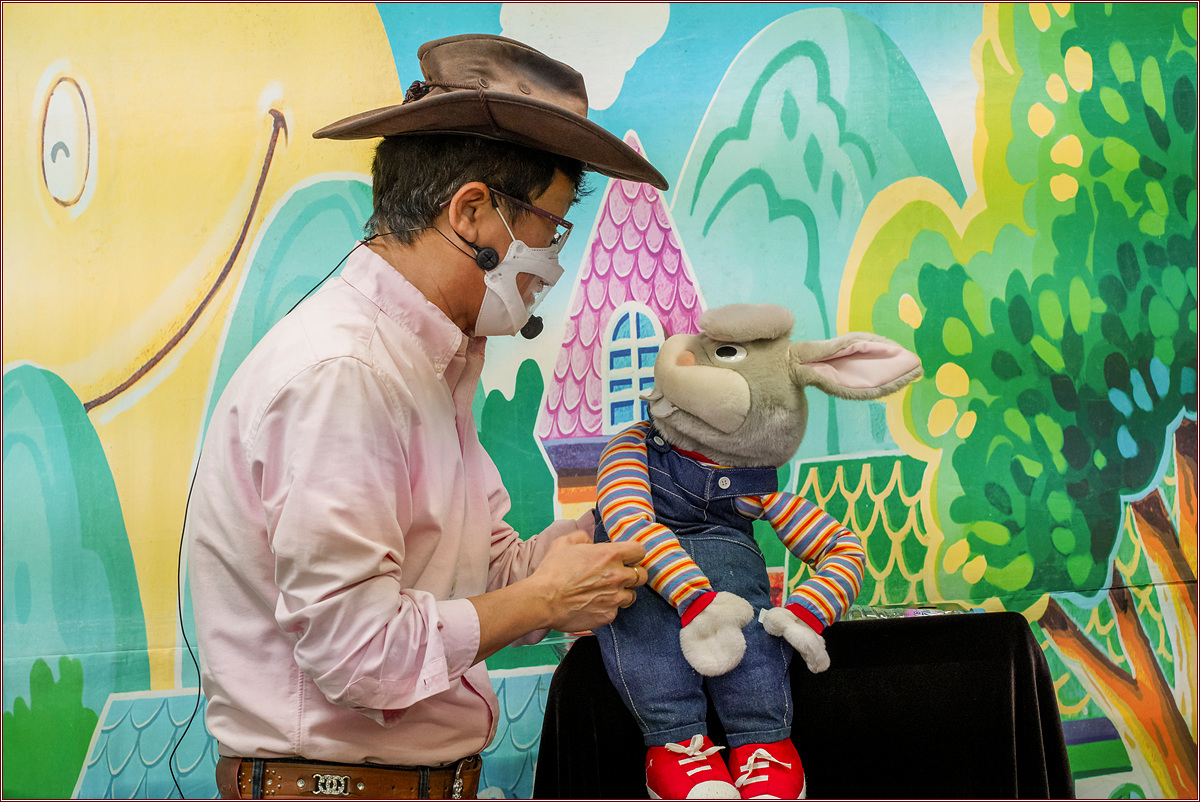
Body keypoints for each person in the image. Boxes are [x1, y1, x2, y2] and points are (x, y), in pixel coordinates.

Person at [185, 34, 668, 800]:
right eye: (549, 229)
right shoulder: (347, 376)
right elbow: (359, 652)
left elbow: (477, 575)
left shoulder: (432, 365)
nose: (552, 262)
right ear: (472, 212)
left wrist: (584, 546)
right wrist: (546, 599)